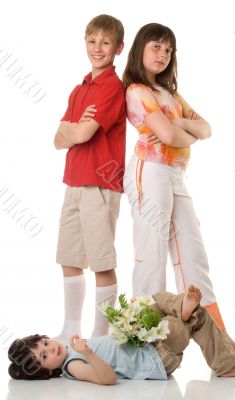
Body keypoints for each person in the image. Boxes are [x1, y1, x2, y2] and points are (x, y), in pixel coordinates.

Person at [120, 22, 235, 361]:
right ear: (141, 48)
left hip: (175, 175)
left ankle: (221, 340)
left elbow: (206, 128)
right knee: (151, 255)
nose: (163, 54)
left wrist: (181, 125)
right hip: (150, 172)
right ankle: (142, 344)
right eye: (156, 46)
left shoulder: (171, 95)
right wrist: (184, 132)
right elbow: (170, 139)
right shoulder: (137, 91)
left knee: (194, 258)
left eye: (168, 49)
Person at [8, 284, 235, 383]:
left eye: (44, 343)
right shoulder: (73, 365)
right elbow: (107, 379)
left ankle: (182, 308)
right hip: (158, 359)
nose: (49, 349)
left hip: (148, 345)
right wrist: (89, 354)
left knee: (155, 300)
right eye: (43, 357)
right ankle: (224, 364)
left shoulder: (71, 350)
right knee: (191, 320)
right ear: (47, 371)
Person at [53, 14, 126, 341]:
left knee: (101, 261)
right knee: (69, 258)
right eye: (92, 41)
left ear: (118, 48)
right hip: (73, 182)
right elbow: (58, 140)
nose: (97, 48)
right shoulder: (79, 88)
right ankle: (71, 331)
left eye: (105, 43)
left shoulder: (112, 87)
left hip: (100, 184)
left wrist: (71, 130)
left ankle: (101, 335)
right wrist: (71, 130)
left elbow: (80, 134)